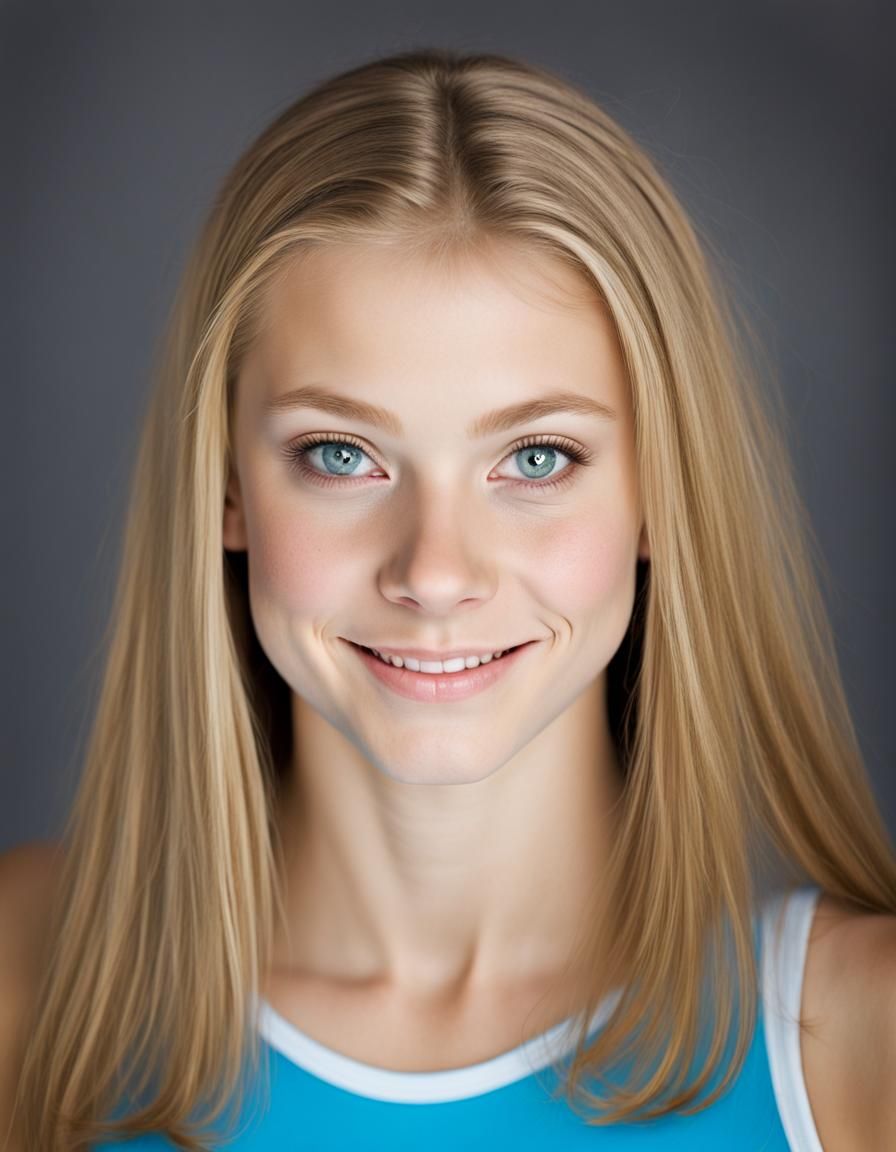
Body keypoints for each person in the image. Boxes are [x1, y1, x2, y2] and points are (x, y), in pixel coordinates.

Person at [2, 47, 894, 1152]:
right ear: (223, 484)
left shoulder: (858, 1045)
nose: (432, 573)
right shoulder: (28, 987)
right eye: (339, 454)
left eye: (533, 459)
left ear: (665, 488)